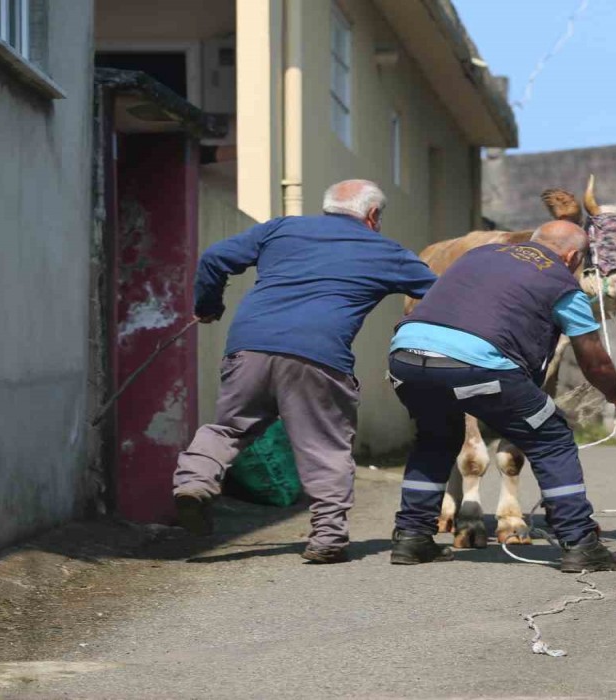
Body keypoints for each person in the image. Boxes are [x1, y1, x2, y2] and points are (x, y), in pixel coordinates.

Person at [174, 179, 437, 564]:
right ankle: (327, 538)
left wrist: (208, 305)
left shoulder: (281, 227)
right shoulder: (386, 251)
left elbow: (214, 257)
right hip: (319, 356)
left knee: (229, 427)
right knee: (324, 445)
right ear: (373, 215)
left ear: (328, 206)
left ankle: (195, 482)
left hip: (249, 346)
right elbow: (442, 293)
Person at [386, 220, 616, 572]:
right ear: (574, 256)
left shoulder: (478, 256)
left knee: (435, 438)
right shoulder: (562, 283)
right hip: (478, 365)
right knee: (552, 438)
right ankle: (580, 543)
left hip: (406, 358)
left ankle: (411, 538)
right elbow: (593, 360)